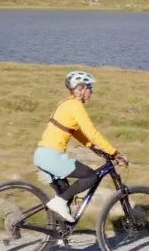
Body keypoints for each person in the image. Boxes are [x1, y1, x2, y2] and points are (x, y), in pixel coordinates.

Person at [33, 70, 128, 223]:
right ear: (81, 88)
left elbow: (78, 134)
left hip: (42, 155)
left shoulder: (65, 104)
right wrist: (114, 152)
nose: (92, 91)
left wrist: (95, 149)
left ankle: (58, 233)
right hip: (52, 157)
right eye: (90, 87)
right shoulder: (76, 106)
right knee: (90, 176)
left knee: (66, 195)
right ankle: (59, 203)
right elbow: (91, 132)